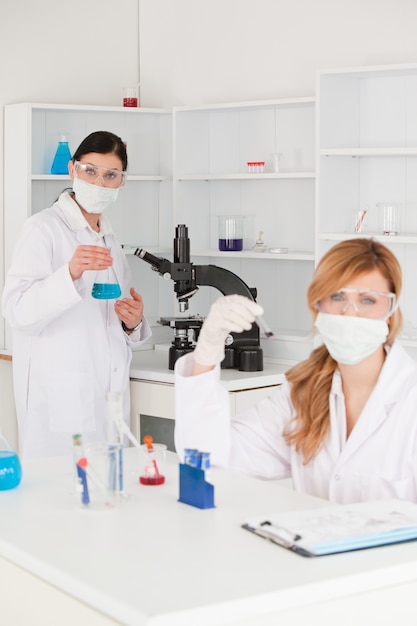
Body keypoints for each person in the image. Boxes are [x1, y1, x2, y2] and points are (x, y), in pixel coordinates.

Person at [174, 238, 417, 504]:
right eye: (337, 297)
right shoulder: (303, 393)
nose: (350, 313)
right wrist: (207, 352)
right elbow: (207, 457)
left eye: (368, 300)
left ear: (391, 312)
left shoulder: (410, 397)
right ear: (318, 306)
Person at [2, 131, 151, 459]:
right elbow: (17, 311)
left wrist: (131, 322)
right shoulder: (43, 229)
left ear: (121, 182)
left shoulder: (109, 238)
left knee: (109, 494)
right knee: (59, 501)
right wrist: (68, 274)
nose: (99, 182)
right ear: (72, 169)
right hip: (61, 399)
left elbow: (109, 317)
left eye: (110, 175)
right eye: (90, 171)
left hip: (107, 398)